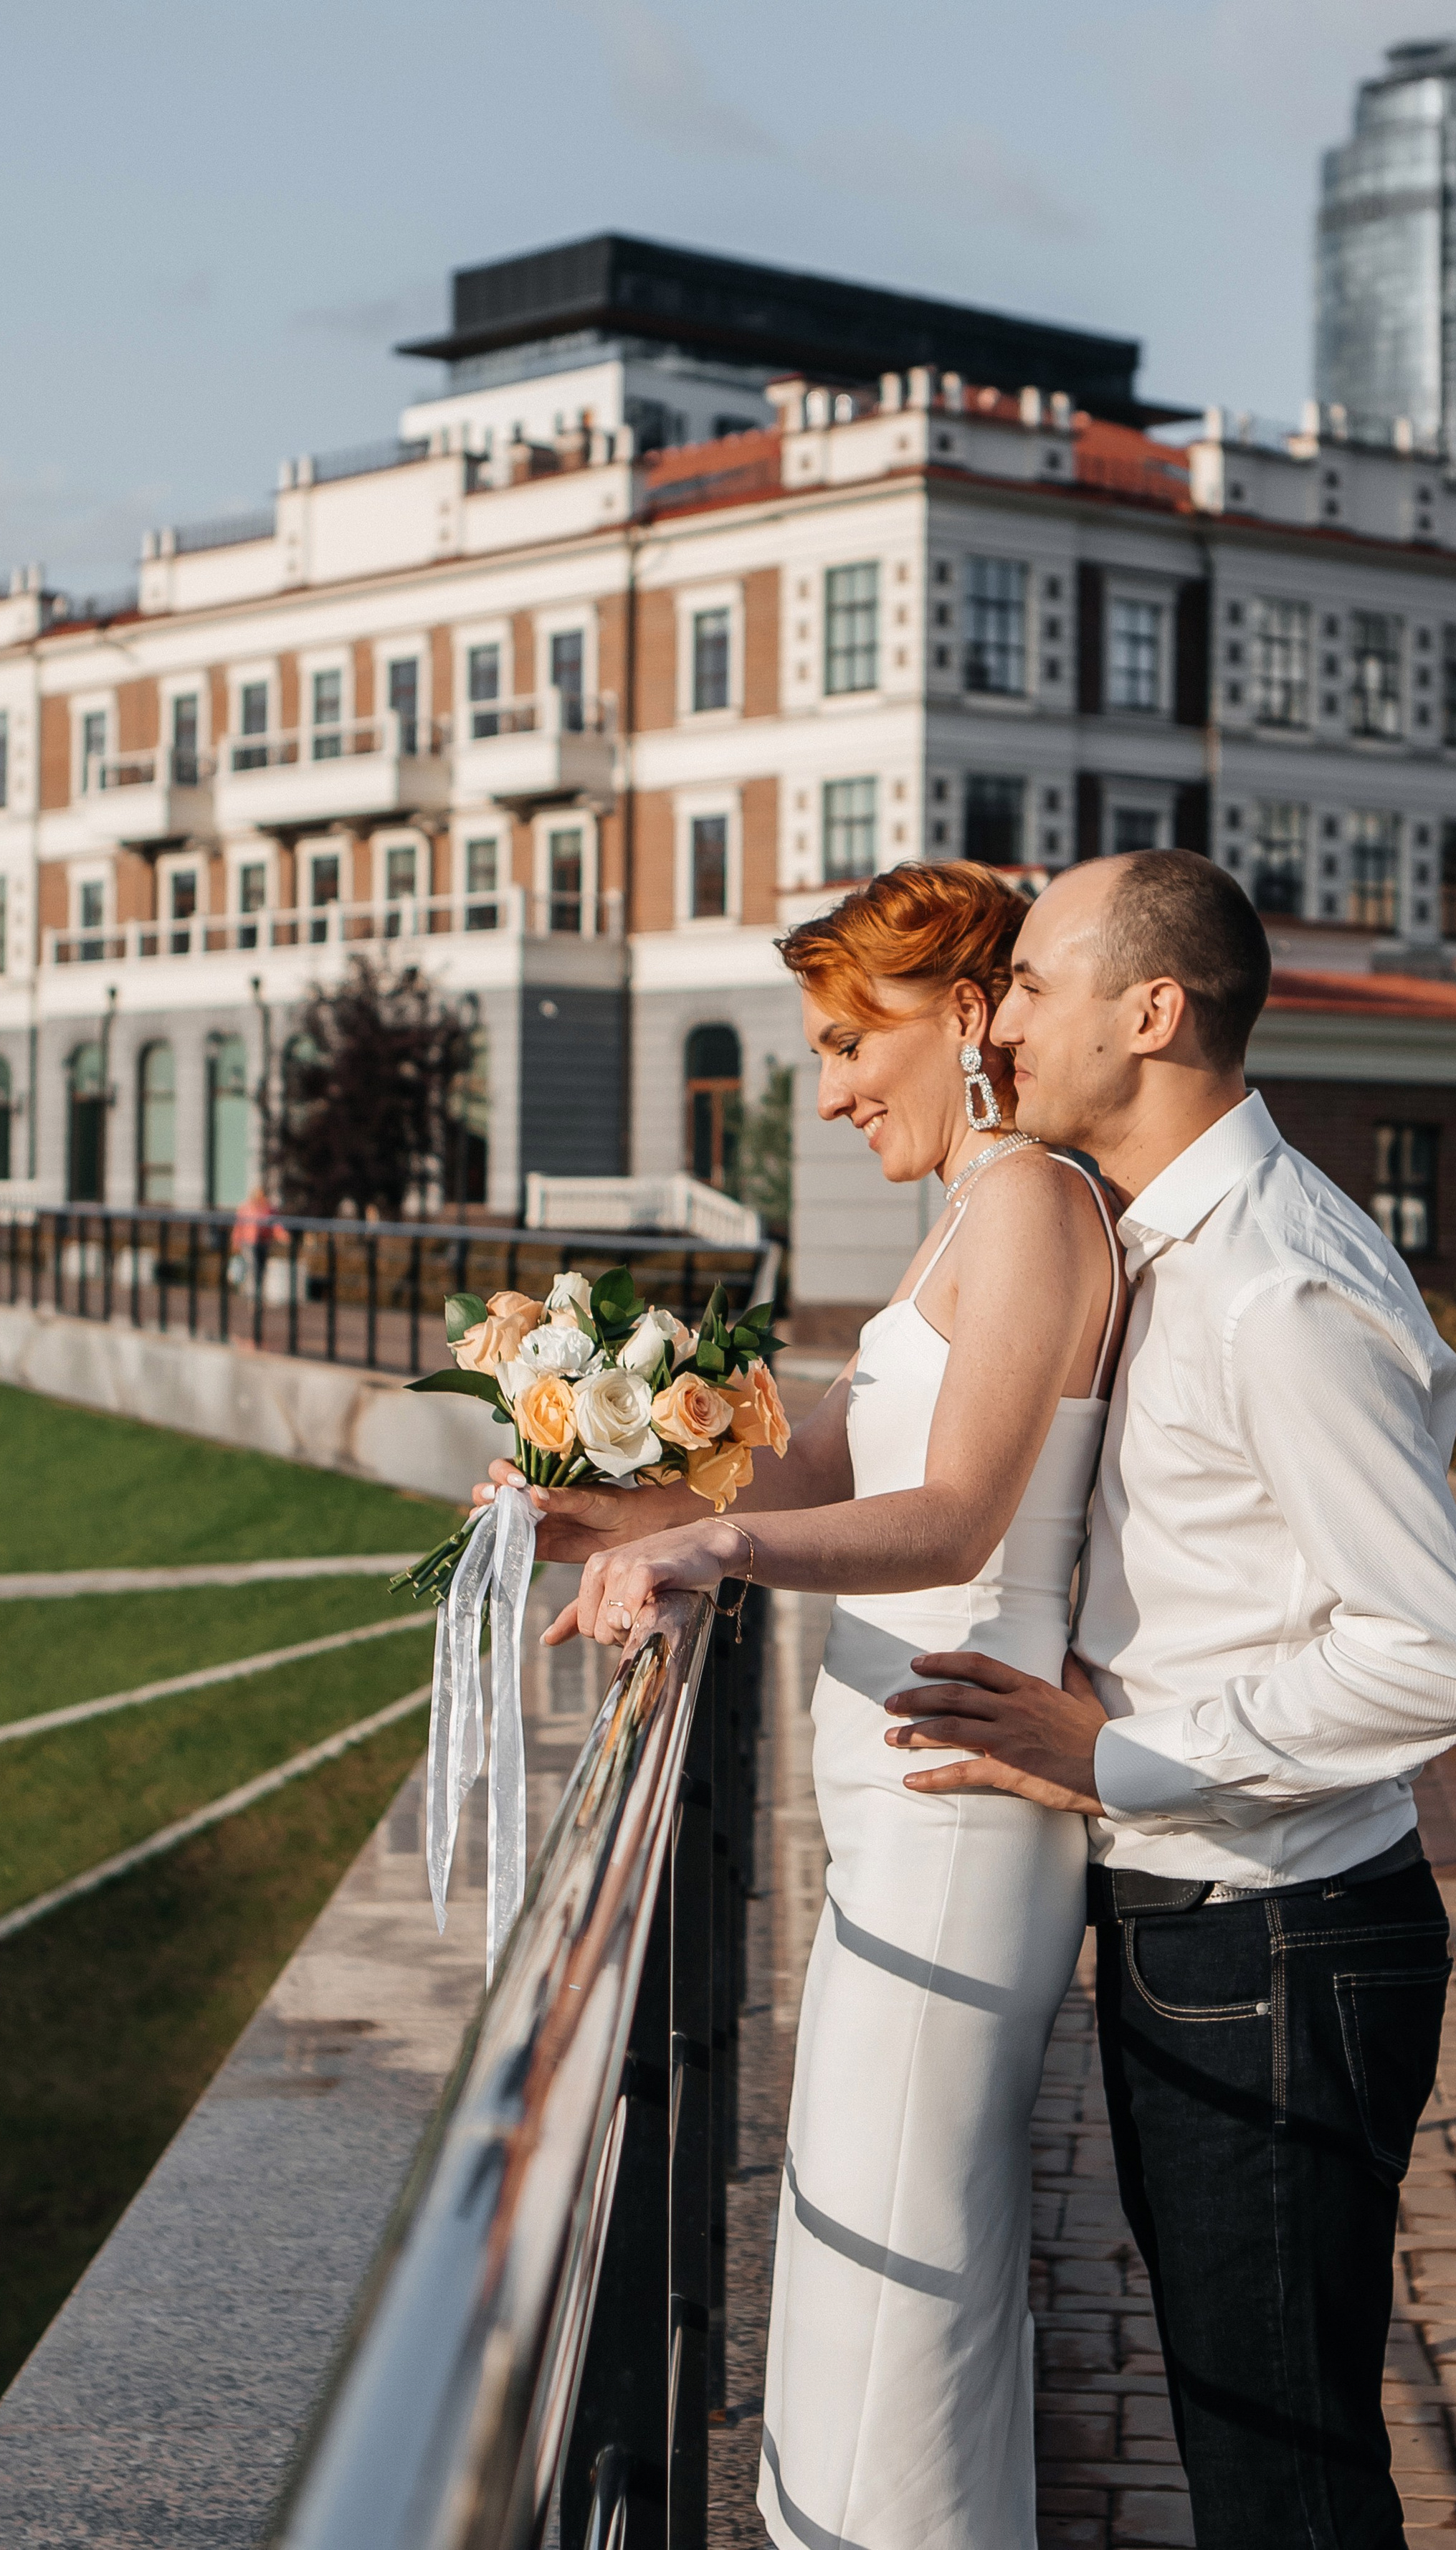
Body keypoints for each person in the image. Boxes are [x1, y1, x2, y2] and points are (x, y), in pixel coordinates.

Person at [477, 861, 1125, 2550]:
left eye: (851, 1039)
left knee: (893, 2297)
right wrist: (589, 1502)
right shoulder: (965, 1224)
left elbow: (958, 1513)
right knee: (863, 2282)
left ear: (967, 1019)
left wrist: (716, 1543)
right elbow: (819, 1462)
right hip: (893, 1823)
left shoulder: (1038, 1208)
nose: (827, 1087)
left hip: (955, 1823)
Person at [882, 850, 1456, 2549]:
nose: (993, 1018)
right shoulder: (1158, 1237)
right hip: (1213, 1926)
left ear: (1147, 1011)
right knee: (1249, 2443)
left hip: (1278, 1938)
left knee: (1277, 2474)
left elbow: (1437, 1650)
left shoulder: (1270, 1280)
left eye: (1027, 985)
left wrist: (1121, 1750)